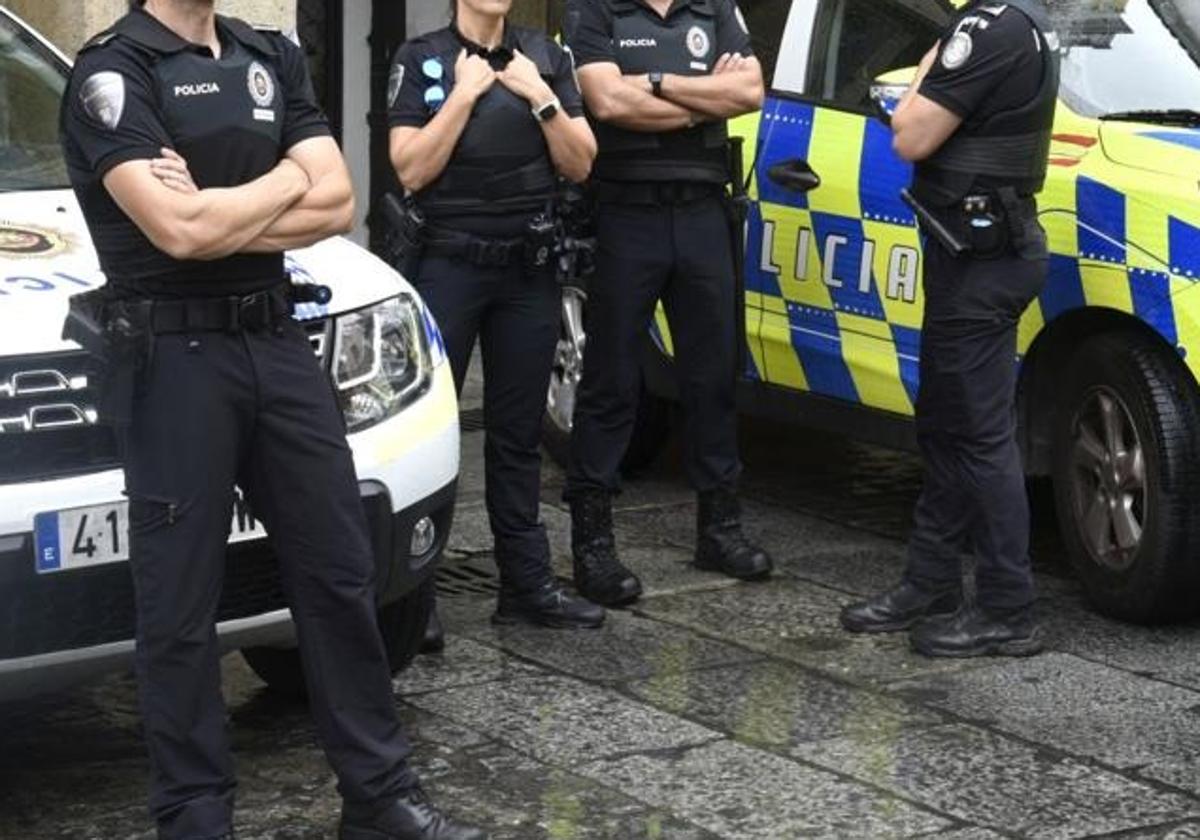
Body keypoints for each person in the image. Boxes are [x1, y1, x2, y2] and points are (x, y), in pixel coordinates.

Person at [59, 2, 485, 838]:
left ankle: (379, 796)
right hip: (173, 361)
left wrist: (239, 200)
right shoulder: (113, 71)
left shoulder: (269, 54)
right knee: (179, 605)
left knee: (338, 573)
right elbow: (176, 232)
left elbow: (337, 202)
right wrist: (283, 181)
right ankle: (194, 815)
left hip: (277, 340)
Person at [840, 0, 1061, 658]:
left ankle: (1005, 606)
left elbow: (909, 134)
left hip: (982, 261)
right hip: (971, 251)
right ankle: (931, 582)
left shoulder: (987, 26)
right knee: (944, 423)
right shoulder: (1021, 21)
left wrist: (927, 64)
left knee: (979, 435)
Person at [387, 0, 603, 635]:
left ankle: (526, 583)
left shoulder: (546, 57)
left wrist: (541, 98)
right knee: (428, 436)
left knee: (516, 435)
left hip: (526, 272)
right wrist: (462, 96)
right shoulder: (420, 57)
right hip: (448, 266)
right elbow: (411, 168)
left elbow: (582, 161)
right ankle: (414, 597)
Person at [560, 0, 773, 607]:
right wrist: (702, 93)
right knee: (611, 383)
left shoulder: (712, 9)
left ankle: (720, 529)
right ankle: (593, 543)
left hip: (703, 211)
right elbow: (605, 101)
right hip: (627, 213)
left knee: (714, 375)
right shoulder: (595, 11)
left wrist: (655, 84)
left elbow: (750, 90)